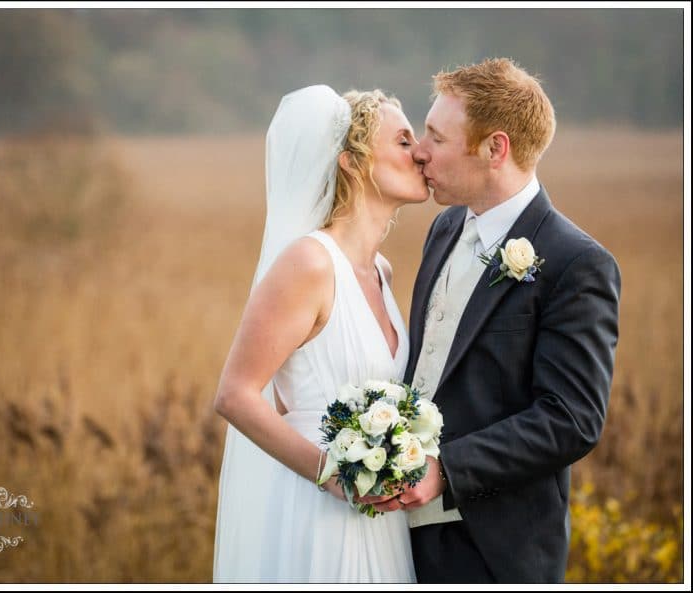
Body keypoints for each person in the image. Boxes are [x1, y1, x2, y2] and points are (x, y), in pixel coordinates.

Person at [365, 58, 621, 583]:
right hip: (396, 536)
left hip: (495, 548)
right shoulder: (444, 227)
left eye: (436, 137)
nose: (419, 151)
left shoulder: (576, 263)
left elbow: (571, 417)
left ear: (494, 149)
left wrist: (446, 472)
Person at [212, 84, 430, 583]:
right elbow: (235, 395)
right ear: (352, 163)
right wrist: (333, 476)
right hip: (317, 511)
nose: (419, 152)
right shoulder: (309, 263)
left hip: (378, 519)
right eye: (402, 140)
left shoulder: (382, 271)